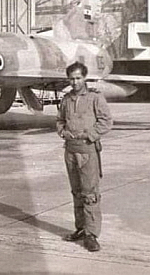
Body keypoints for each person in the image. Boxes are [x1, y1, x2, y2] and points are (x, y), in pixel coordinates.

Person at [56, 61, 112, 252]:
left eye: (78, 78)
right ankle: (80, 228)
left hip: (88, 150)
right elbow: (60, 120)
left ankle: (91, 234)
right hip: (70, 150)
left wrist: (90, 135)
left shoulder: (95, 98)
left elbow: (106, 121)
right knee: (76, 192)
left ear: (85, 77)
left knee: (90, 194)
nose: (74, 82)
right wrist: (62, 132)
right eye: (71, 78)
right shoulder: (66, 99)